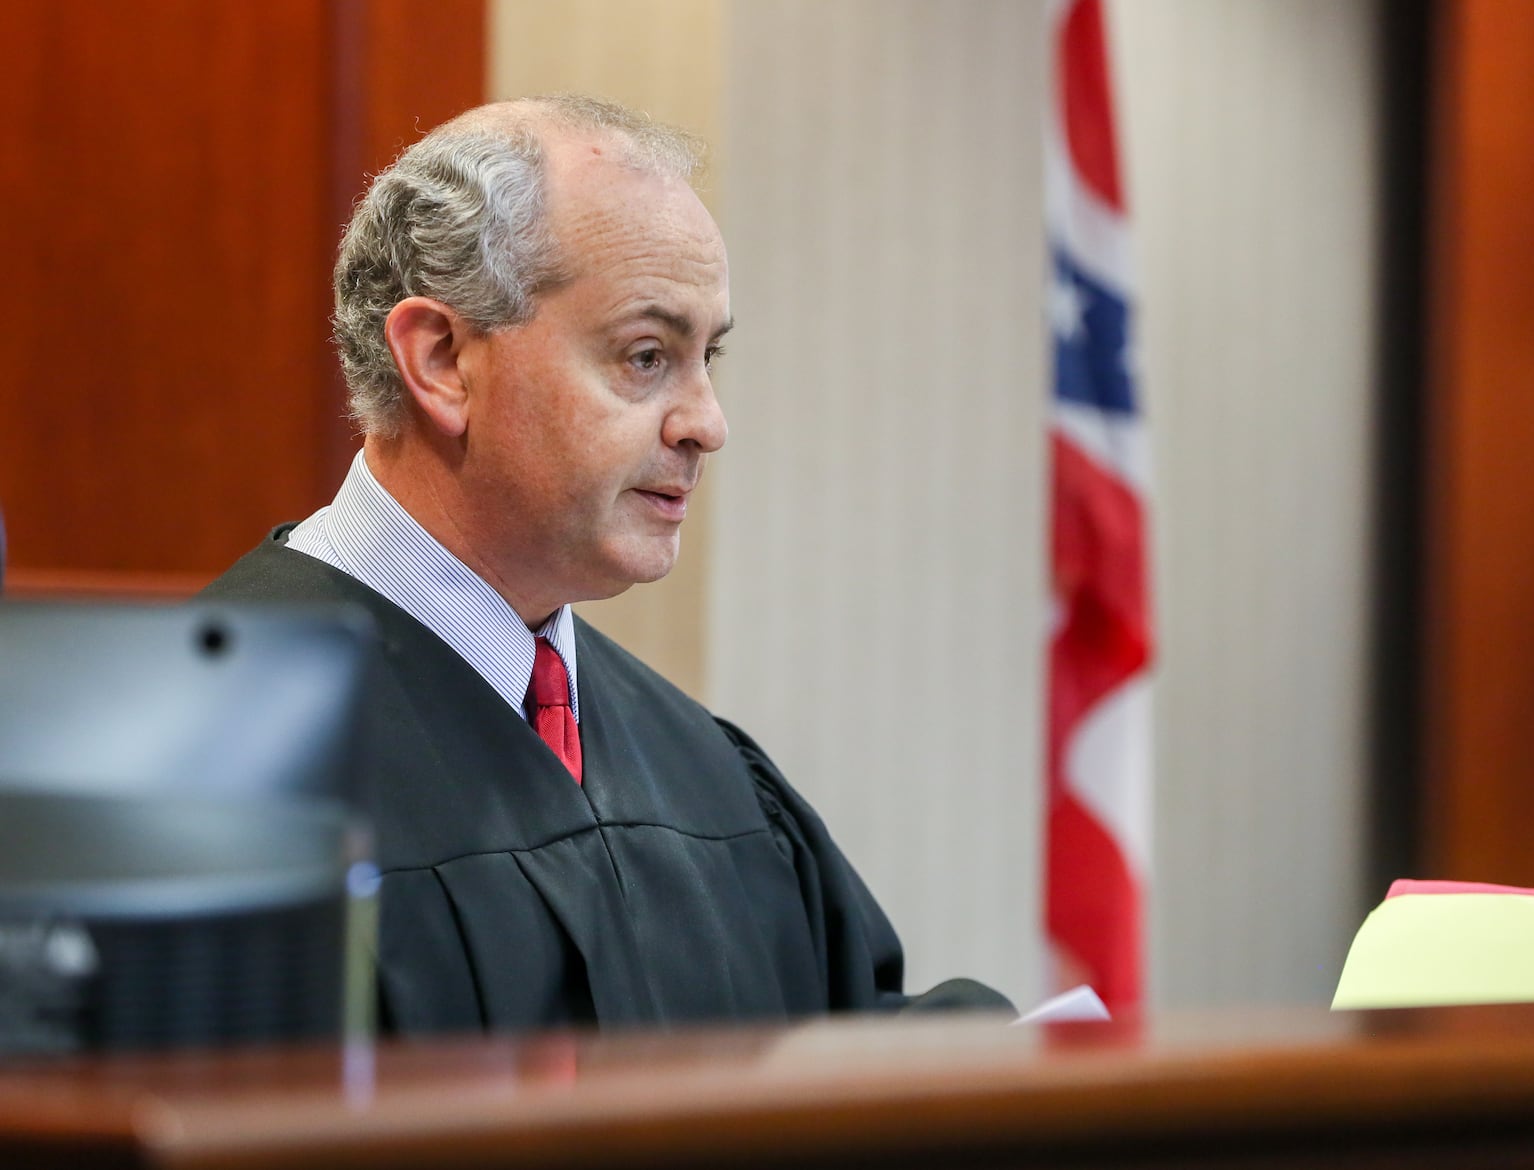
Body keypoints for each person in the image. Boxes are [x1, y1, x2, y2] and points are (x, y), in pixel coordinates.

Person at [203, 95, 1008, 1032]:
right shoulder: (206, 760)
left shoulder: (701, 769)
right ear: (442, 361)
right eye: (644, 356)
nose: (706, 423)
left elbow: (834, 1048)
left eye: (708, 357)